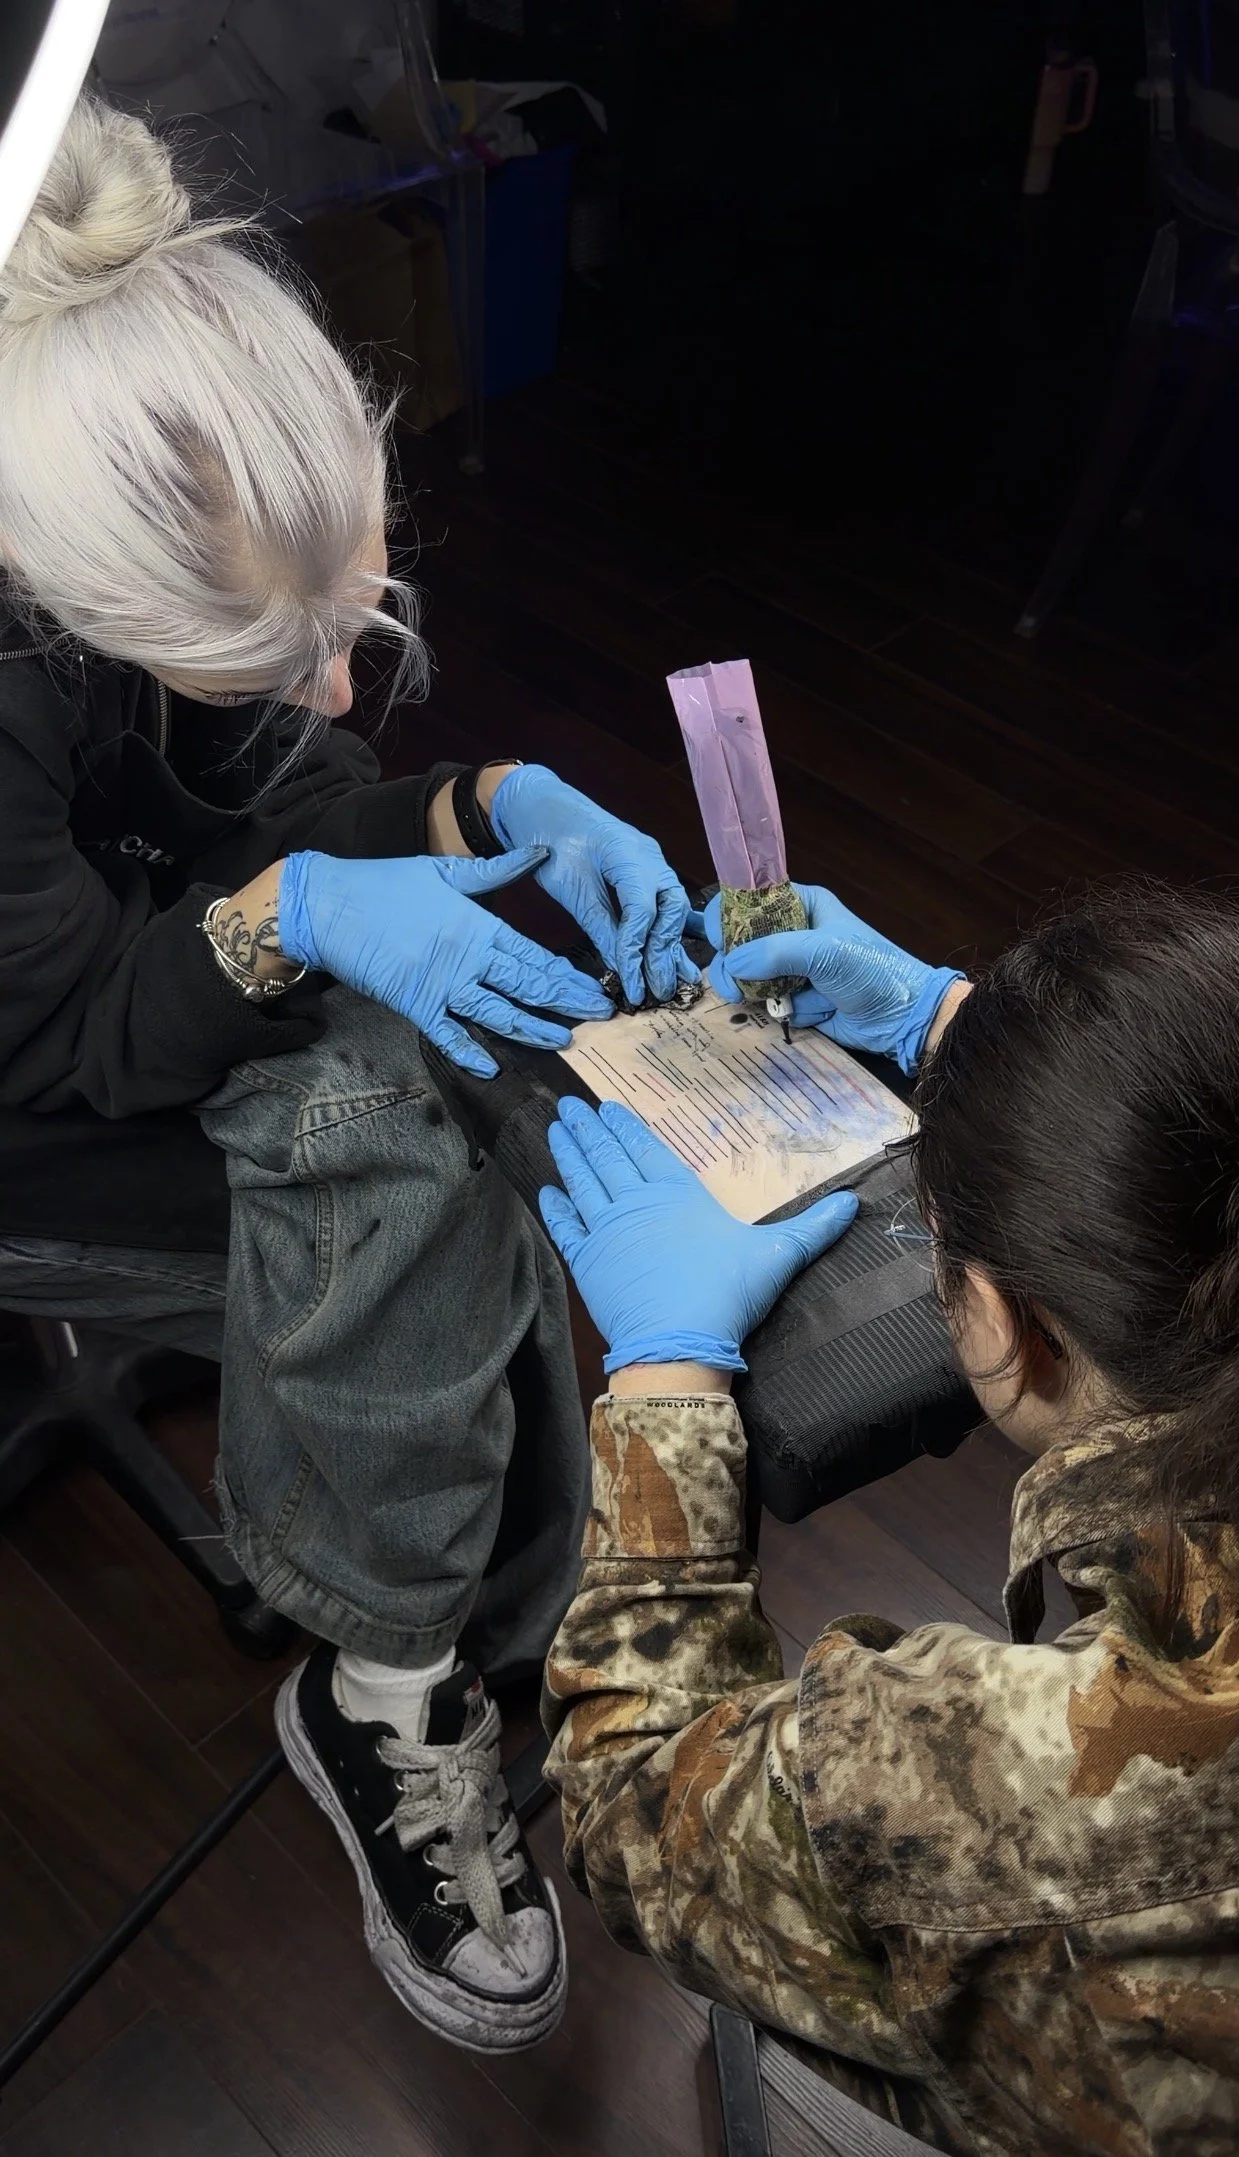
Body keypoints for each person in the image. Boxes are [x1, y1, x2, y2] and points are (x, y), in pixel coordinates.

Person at [0, 95, 700, 2053]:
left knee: (472, 1099)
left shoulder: (120, 374)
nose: (334, 686)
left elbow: (265, 796)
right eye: (269, 652)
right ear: (60, 594)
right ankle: (390, 1674)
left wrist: (477, 801)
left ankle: (462, 1625)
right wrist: (298, 910)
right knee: (402, 1152)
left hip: (91, 944)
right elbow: (61, 1033)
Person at [537, 879, 1239, 2154]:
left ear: (1016, 1330)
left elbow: (633, 1809)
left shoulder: (992, 1772)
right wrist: (971, 1036)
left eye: (937, 1238)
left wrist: (663, 1374)